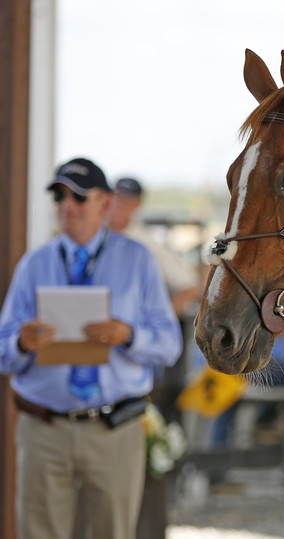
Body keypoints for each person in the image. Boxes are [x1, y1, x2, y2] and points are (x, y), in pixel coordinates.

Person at [0, 157, 183, 539]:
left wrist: (127, 336)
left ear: (105, 203)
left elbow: (169, 345)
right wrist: (21, 342)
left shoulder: (138, 262)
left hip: (114, 431)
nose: (67, 205)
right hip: (43, 429)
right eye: (60, 196)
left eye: (79, 197)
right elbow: (3, 352)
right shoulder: (33, 265)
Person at [109, 177, 201, 317]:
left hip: (128, 331)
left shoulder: (148, 243)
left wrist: (156, 325)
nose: (119, 204)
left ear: (137, 204)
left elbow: (189, 287)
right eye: (116, 197)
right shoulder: (91, 235)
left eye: (127, 199)